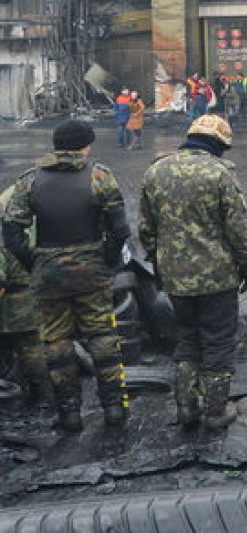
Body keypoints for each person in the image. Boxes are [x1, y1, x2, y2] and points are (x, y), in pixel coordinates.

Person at [1, 120, 130, 433]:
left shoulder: (30, 181)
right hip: (91, 271)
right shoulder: (100, 176)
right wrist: (107, 263)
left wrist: (35, 262)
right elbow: (120, 229)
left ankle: (69, 413)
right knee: (101, 336)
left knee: (57, 341)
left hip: (49, 273)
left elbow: (11, 230)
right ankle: (114, 407)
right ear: (85, 145)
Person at [139, 114, 247, 432]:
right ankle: (216, 411)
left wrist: (160, 264)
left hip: (175, 278)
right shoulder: (220, 173)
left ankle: (187, 408)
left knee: (188, 339)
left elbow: (146, 230)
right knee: (218, 342)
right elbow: (238, 230)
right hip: (217, 277)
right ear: (219, 144)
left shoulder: (155, 171)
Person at [0, 187, 49, 410]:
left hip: (14, 306)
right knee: (35, 349)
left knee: (27, 352)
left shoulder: (4, 237)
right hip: (38, 297)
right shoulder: (35, 228)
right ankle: (43, 396)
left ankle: (36, 397)